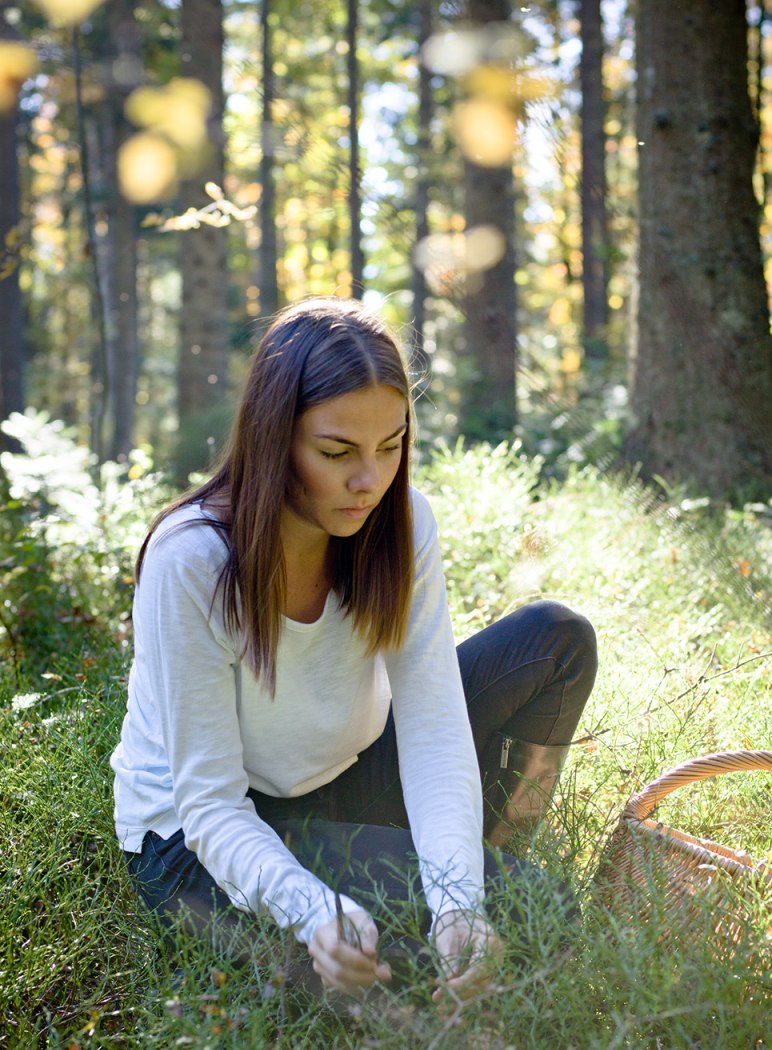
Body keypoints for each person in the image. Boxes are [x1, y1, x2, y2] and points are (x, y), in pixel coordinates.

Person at [112, 297, 597, 1003]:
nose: (369, 481)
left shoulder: (401, 521)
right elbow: (211, 806)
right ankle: (411, 929)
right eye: (336, 453)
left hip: (345, 774)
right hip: (203, 842)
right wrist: (313, 911)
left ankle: (470, 892)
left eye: (391, 446)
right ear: (276, 439)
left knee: (558, 640)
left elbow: (432, 726)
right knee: (527, 920)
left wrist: (463, 900)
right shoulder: (192, 559)